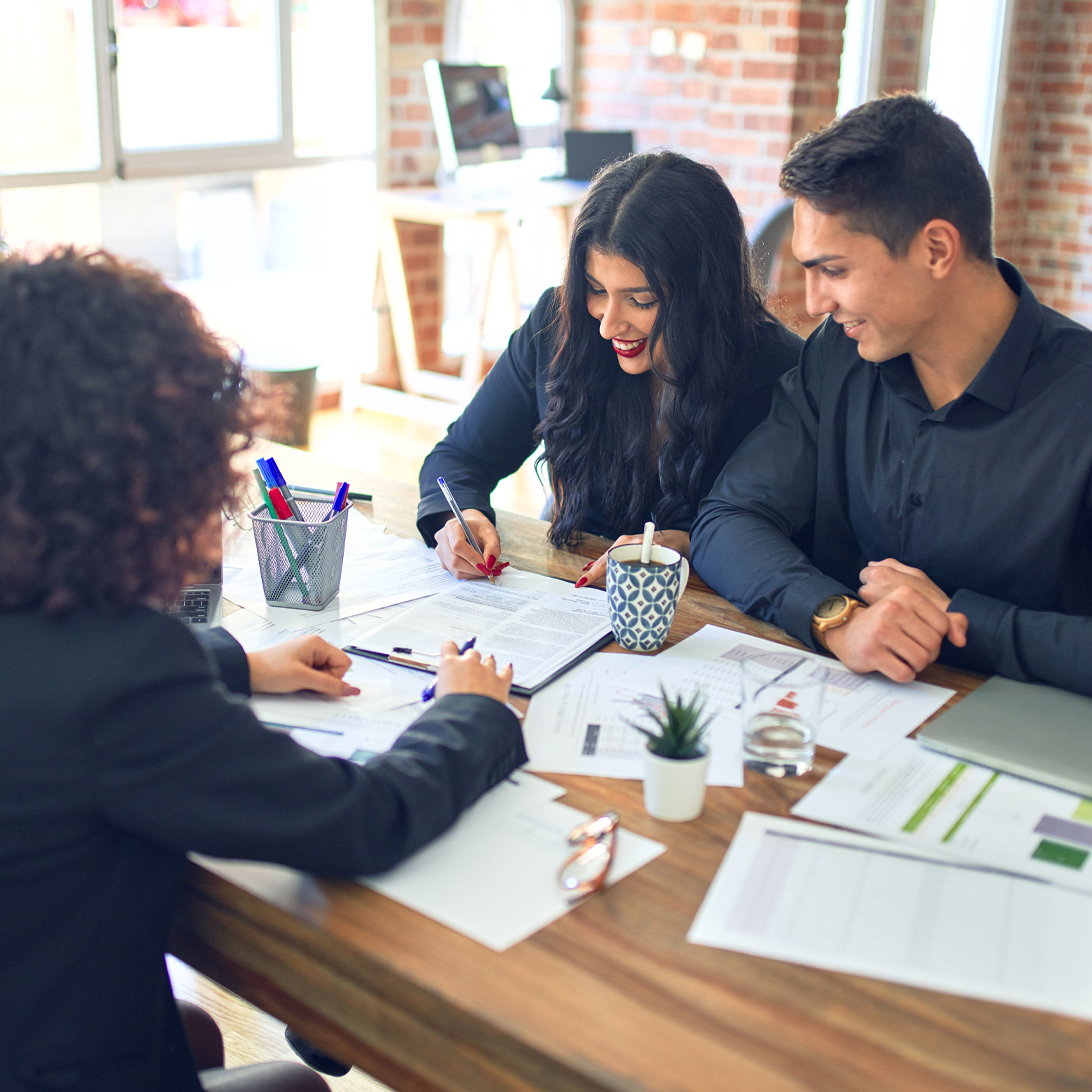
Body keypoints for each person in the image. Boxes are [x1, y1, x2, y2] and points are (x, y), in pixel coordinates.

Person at [0, 248, 526, 1092]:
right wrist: (471, 714)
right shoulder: (125, 675)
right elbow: (362, 820)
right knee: (298, 1084)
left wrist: (233, 663)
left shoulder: (53, 627)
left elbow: (59, 703)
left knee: (196, 1030)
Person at [690, 94, 1092, 697]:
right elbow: (727, 520)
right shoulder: (839, 354)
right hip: (849, 717)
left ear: (936, 249)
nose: (816, 302)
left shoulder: (1079, 401)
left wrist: (960, 621)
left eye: (835, 270)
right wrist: (838, 617)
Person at [417, 150, 802, 587]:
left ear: (705, 294)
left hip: (710, 613)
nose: (607, 325)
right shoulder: (558, 325)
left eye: (641, 300)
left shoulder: (783, 372)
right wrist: (461, 516)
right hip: (572, 600)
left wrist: (695, 547)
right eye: (596, 289)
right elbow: (460, 457)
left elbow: (797, 543)